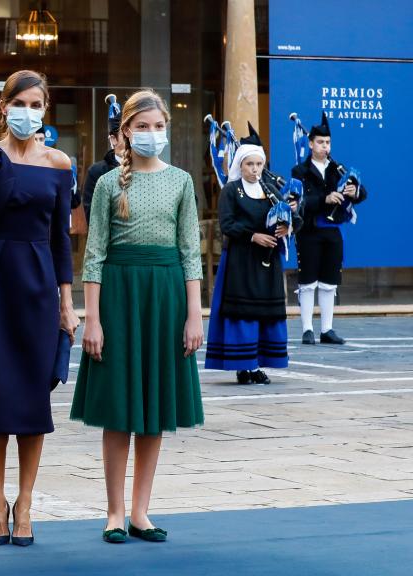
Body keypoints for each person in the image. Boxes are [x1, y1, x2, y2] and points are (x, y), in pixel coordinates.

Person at [0, 70, 78, 547]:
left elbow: (61, 240)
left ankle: (25, 502)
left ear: (45, 109)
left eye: (36, 104)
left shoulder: (60, 163)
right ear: (2, 106)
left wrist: (67, 304)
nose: (28, 111)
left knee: (30, 398)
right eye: (19, 103)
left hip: (40, 283)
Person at [71, 90, 204, 544]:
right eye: (142, 127)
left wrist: (194, 316)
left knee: (155, 408)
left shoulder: (183, 181)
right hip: (120, 295)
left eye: (158, 127)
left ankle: (142, 512)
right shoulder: (109, 184)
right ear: (125, 132)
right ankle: (113, 512)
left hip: (165, 296)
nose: (152, 135)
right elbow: (95, 253)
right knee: (119, 408)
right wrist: (92, 318)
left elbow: (190, 252)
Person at [206, 126, 302, 385]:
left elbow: (295, 218)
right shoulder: (231, 190)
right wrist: (253, 236)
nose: (255, 169)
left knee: (263, 314)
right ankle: (243, 366)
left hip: (267, 264)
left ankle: (257, 365)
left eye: (259, 164)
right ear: (241, 164)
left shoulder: (271, 189)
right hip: (240, 260)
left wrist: (286, 226)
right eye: (250, 164)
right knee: (243, 313)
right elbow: (227, 224)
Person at [291, 112, 368, 345]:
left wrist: (355, 193)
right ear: (311, 144)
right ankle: (307, 329)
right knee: (308, 281)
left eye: (328, 143)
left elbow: (362, 192)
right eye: (321, 142)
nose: (325, 146)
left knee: (329, 280)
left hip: (333, 231)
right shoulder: (300, 171)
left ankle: (327, 329)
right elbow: (300, 201)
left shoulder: (338, 169)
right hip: (309, 231)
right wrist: (325, 199)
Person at [83, 95, 125, 223]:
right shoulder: (97, 171)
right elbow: (92, 216)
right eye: (125, 135)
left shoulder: (145, 167)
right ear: (113, 139)